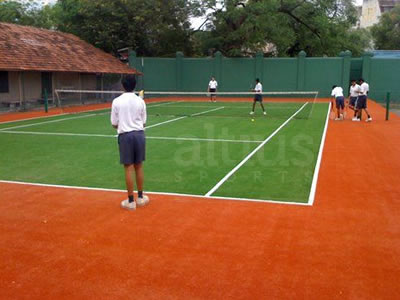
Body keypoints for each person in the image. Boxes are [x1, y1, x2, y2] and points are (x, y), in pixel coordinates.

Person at [111, 75, 149, 210]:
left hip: (125, 136)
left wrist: (124, 124)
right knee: (139, 166)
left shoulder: (116, 101)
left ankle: (131, 201)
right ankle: (140, 197)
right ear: (134, 85)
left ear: (122, 85)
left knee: (128, 167)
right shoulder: (140, 101)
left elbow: (114, 124)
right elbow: (144, 122)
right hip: (139, 135)